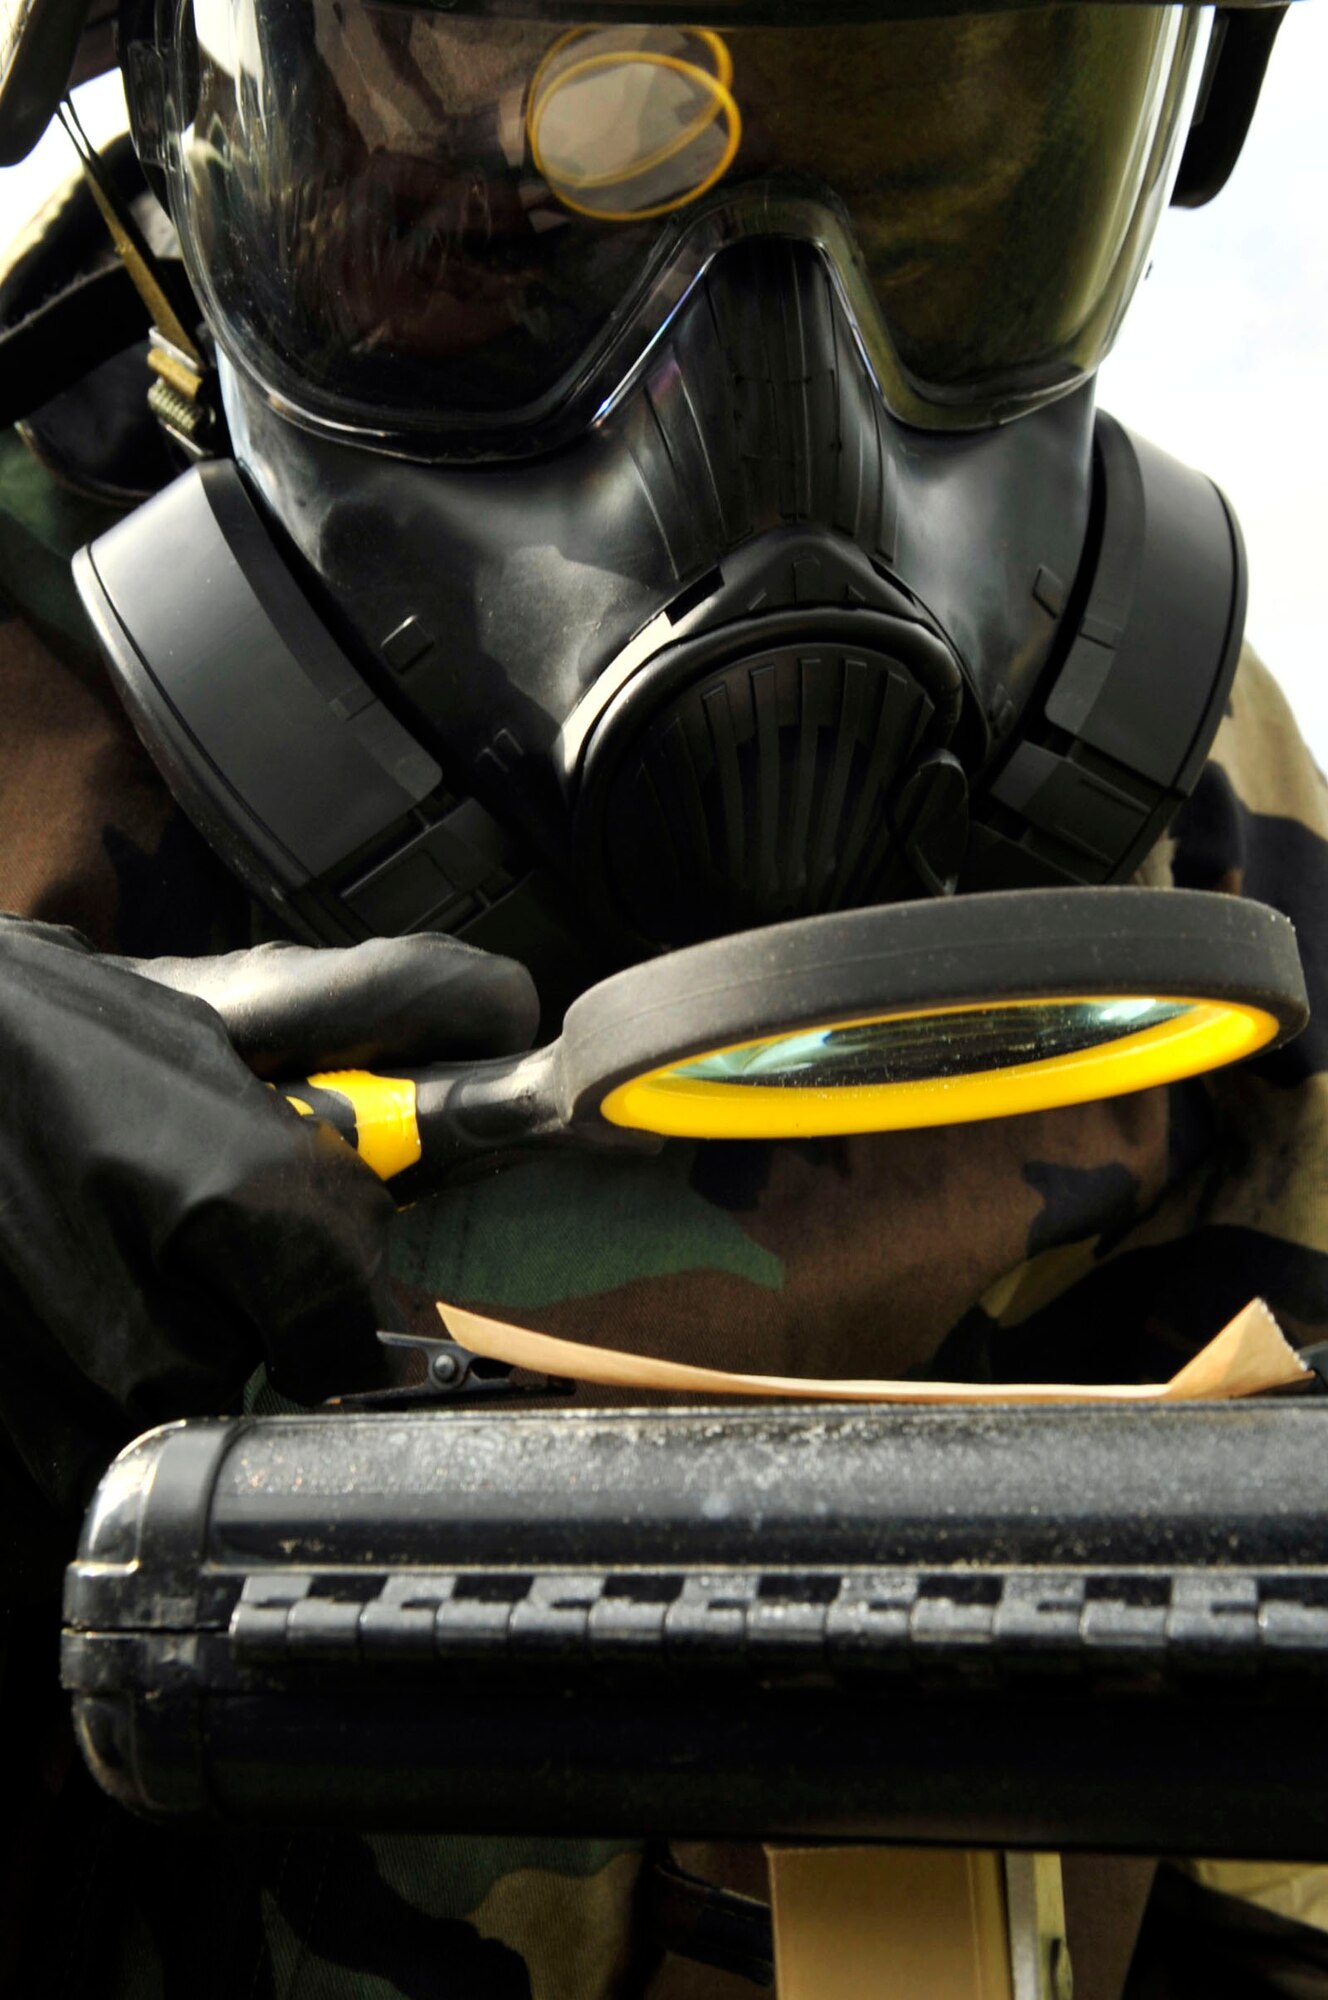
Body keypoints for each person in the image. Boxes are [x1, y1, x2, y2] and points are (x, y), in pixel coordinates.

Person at [1, 0, 1326, 1993]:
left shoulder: (1208, 838)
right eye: (497, 179)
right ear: (169, 152)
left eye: (911, 125)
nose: (766, 398)